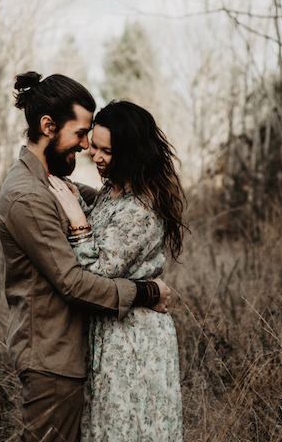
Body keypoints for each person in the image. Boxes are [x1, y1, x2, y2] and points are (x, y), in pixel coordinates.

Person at [0, 72, 171, 442]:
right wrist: (146, 293)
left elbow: (114, 203)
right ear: (48, 126)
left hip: (74, 353)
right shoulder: (29, 196)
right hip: (52, 357)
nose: (86, 146)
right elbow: (73, 283)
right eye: (79, 134)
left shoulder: (53, 182)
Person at [48, 100, 186, 442]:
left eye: (106, 151)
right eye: (94, 146)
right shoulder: (112, 189)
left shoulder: (140, 209)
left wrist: (78, 221)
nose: (94, 156)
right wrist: (74, 195)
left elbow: (96, 274)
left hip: (133, 341)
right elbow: (104, 231)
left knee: (125, 430)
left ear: (130, 153)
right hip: (110, 330)